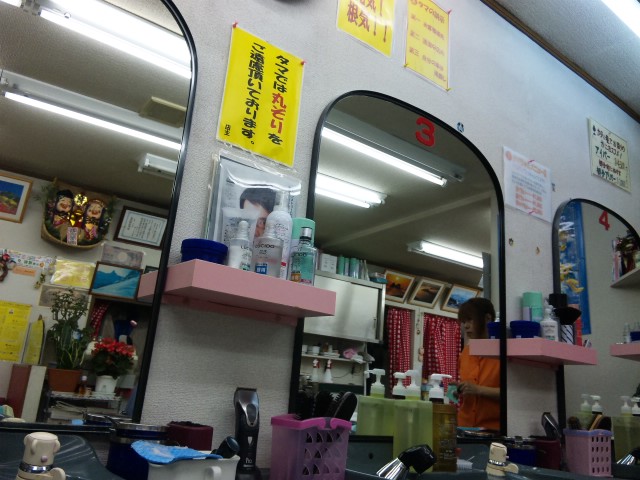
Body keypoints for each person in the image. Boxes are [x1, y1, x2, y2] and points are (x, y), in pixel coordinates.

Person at [454, 297, 501, 431]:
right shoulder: (465, 353)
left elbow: (513, 394)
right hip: (464, 427)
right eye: (464, 321)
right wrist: (460, 389)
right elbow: (470, 388)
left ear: (487, 319)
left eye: (470, 319)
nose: (466, 326)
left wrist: (478, 389)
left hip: (493, 430)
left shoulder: (504, 353)